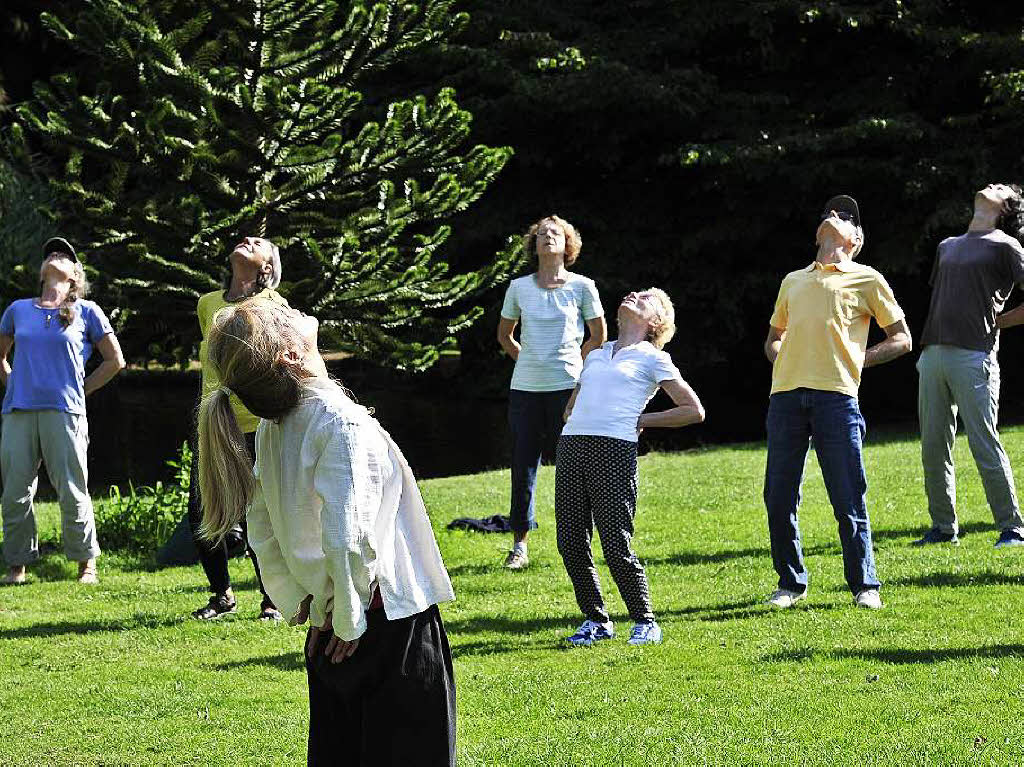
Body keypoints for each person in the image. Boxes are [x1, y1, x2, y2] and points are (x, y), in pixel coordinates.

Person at [197, 299, 456, 766]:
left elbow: (263, 530)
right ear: (290, 355)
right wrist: (348, 618)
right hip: (382, 628)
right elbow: (350, 535)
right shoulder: (341, 424)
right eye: (282, 312)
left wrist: (301, 601)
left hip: (331, 626)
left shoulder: (279, 428)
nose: (289, 306)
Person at [763, 195, 911, 610]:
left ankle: (865, 584)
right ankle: (790, 583)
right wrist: (782, 354)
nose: (835, 217)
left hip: (837, 398)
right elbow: (773, 338)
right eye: (830, 214)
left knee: (848, 495)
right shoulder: (792, 280)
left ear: (855, 240)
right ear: (817, 234)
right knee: (778, 495)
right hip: (785, 398)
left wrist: (862, 357)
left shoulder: (867, 279)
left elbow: (902, 338)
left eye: (845, 219)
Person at [557, 288, 704, 647]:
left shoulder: (654, 358)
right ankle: (595, 620)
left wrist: (643, 418)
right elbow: (570, 408)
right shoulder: (595, 354)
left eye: (647, 297)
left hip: (614, 451)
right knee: (570, 541)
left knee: (614, 541)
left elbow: (693, 410)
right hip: (572, 446)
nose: (635, 294)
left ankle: (645, 620)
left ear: (656, 322)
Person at [0, 237, 125, 585]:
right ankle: (17, 566)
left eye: (64, 255)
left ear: (74, 277)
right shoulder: (18, 310)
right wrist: (14, 385)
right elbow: (0, 356)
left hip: (66, 412)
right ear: (42, 272)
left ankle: (86, 565)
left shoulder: (88, 311)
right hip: (18, 412)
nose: (55, 256)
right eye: (50, 254)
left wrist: (81, 390)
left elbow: (115, 360)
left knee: (71, 488)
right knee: (14, 491)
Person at [914, 183, 1024, 548]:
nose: (989, 186)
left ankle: (1012, 527)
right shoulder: (947, 245)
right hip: (933, 354)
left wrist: (1000, 321)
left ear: (1006, 207)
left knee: (983, 440)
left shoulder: (1007, 246)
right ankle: (943, 529)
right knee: (932, 445)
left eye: (999, 188)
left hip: (975, 354)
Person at [497, 215, 606, 569]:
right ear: (534, 244)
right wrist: (525, 359)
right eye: (542, 234)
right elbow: (504, 335)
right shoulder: (518, 287)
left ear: (567, 244)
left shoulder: (582, 287)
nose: (547, 237)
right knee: (523, 465)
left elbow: (598, 336)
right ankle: (519, 546)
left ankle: (578, 539)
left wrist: (577, 366)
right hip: (525, 388)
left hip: (568, 389)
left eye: (555, 233)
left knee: (574, 466)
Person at [187, 236, 286, 620]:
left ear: (266, 269)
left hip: (259, 425)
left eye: (259, 243)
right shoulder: (207, 305)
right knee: (203, 512)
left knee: (263, 513)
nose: (248, 240)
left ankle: (273, 599)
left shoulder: (273, 305)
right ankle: (222, 596)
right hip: (215, 426)